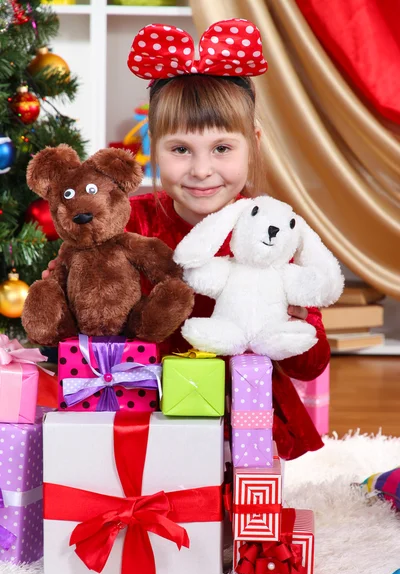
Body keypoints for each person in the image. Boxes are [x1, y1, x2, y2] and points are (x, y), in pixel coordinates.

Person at [44, 19, 329, 461]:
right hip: (135, 404)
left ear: (253, 145)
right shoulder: (123, 223)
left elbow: (309, 366)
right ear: (154, 146)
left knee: (229, 511)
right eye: (181, 149)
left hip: (242, 418)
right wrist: (62, 295)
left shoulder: (272, 232)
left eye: (221, 149)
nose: (200, 170)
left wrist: (301, 318)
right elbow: (74, 338)